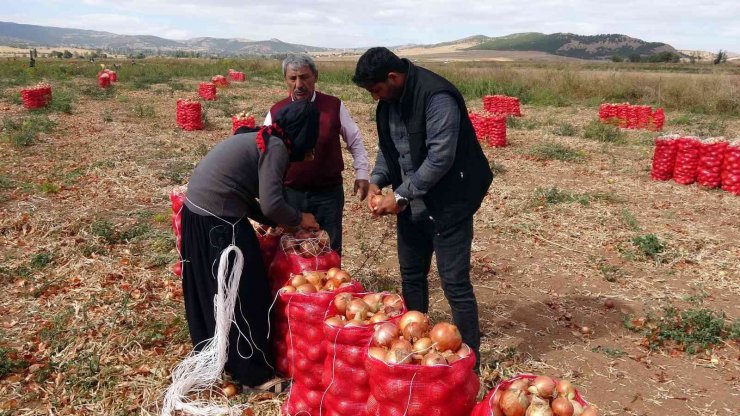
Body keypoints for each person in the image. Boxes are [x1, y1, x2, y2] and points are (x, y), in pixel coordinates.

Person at [352, 47, 493, 371]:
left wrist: (399, 196)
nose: (375, 97)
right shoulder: (389, 103)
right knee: (412, 276)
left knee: (454, 283)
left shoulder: (436, 97)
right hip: (413, 204)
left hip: (450, 203)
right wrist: (377, 180)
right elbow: (390, 149)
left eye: (377, 90)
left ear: (393, 77)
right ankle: (415, 350)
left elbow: (440, 158)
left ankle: (469, 363)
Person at [181, 100, 321, 390]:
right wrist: (298, 218)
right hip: (218, 221)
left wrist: (269, 219)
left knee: (214, 291)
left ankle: (218, 358)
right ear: (305, 135)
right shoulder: (277, 148)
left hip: (197, 212)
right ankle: (253, 375)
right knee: (246, 292)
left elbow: (244, 193)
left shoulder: (261, 136)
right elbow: (271, 202)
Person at [264, 54, 370, 254]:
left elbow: (354, 139)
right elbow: (264, 152)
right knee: (292, 250)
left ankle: (334, 286)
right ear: (285, 80)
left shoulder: (333, 106)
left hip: (328, 193)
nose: (299, 84)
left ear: (316, 77)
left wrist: (362, 173)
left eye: (305, 77)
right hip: (290, 194)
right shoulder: (277, 111)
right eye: (292, 78)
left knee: (329, 248)